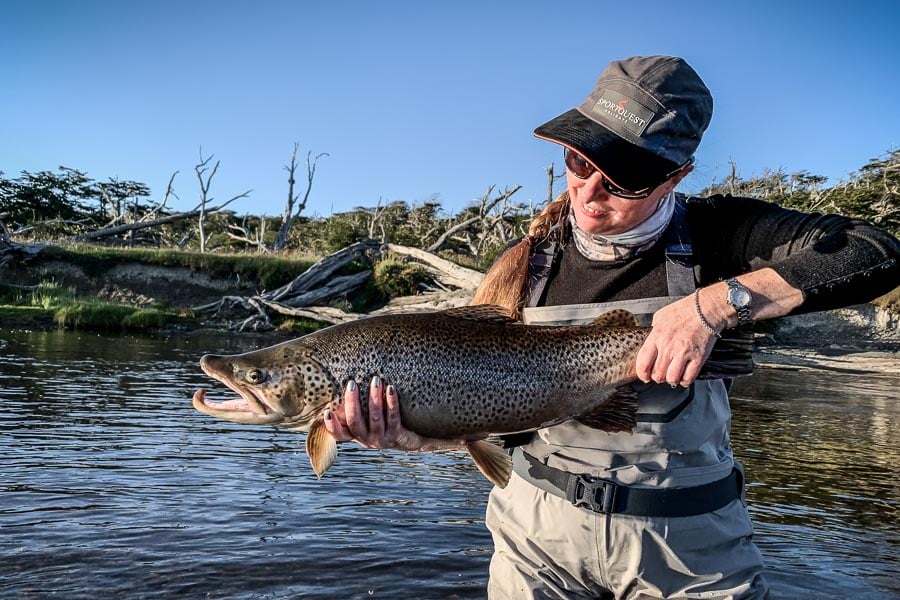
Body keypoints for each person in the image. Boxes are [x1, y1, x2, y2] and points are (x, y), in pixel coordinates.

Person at [322, 55, 900, 599]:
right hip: (535, 535)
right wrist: (420, 432)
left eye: (622, 179)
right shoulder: (525, 260)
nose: (590, 194)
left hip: (687, 548)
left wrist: (714, 306)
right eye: (581, 163)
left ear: (676, 176)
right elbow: (498, 417)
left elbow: (877, 251)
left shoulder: (723, 234)